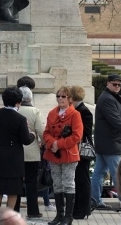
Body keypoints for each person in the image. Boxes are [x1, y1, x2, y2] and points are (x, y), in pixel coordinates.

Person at [0, 87, 36, 210]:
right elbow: (26, 140)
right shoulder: (20, 119)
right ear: (18, 102)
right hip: (14, 156)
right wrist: (32, 134)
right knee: (13, 189)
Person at [42, 85, 83, 225]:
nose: (60, 98)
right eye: (58, 96)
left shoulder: (75, 114)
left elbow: (77, 136)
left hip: (68, 154)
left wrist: (58, 144)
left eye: (63, 96)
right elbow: (46, 132)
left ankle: (68, 216)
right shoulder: (52, 113)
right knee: (57, 184)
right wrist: (51, 143)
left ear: (70, 99)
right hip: (53, 153)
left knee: (68, 184)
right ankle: (59, 215)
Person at [91, 74, 121, 209]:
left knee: (99, 172)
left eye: (119, 85)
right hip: (111, 143)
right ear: (107, 83)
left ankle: (95, 200)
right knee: (117, 174)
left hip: (107, 142)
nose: (117, 87)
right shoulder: (107, 99)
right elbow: (116, 121)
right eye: (114, 84)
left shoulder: (110, 98)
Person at [18, 86, 44, 219]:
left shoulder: (16, 110)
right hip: (32, 152)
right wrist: (43, 142)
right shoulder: (35, 111)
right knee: (31, 182)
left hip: (16, 152)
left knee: (16, 181)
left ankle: (14, 210)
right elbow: (41, 130)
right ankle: (33, 211)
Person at [71, 85, 94, 220]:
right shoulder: (79, 110)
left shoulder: (83, 111)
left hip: (82, 150)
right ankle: (79, 208)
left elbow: (84, 132)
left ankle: (83, 209)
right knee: (79, 179)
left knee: (82, 179)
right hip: (78, 149)